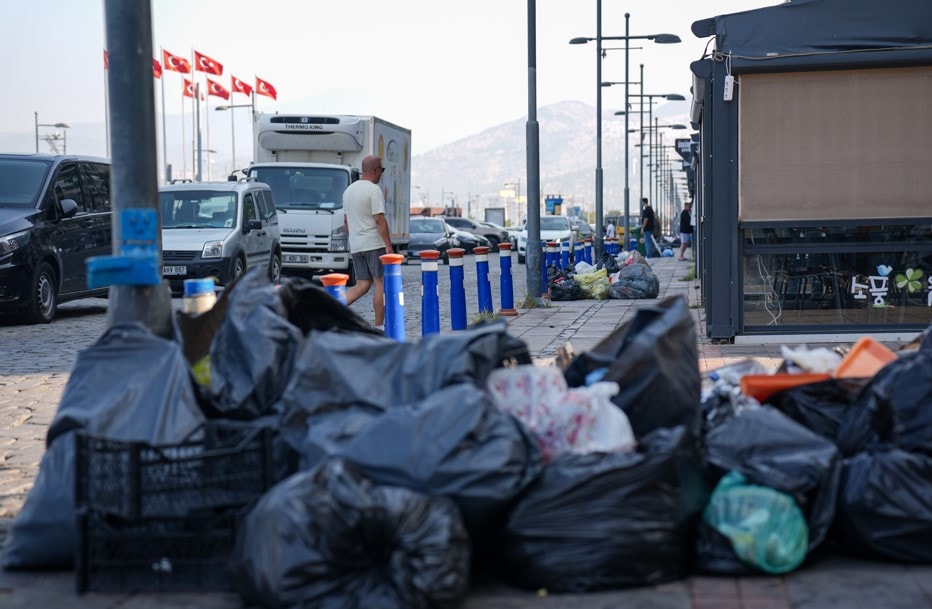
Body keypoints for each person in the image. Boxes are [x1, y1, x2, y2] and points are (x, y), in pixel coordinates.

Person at [343, 155, 393, 331]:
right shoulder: (373, 190)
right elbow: (379, 219)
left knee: (362, 285)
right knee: (380, 283)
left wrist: (355, 239)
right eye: (382, 170)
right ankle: (379, 326)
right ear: (376, 170)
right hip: (374, 243)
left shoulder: (348, 191)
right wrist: (388, 244)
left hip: (356, 245)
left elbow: (346, 221)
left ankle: (331, 307)